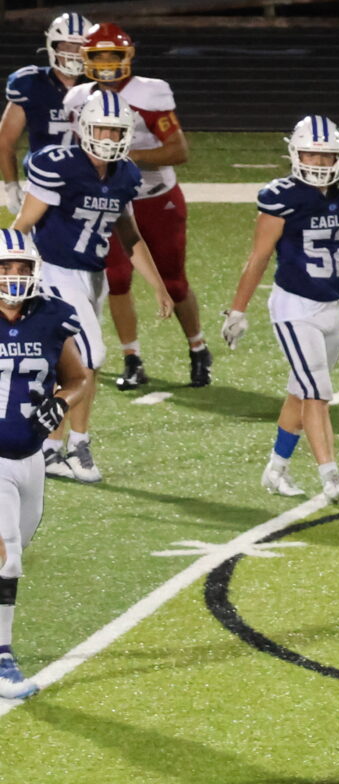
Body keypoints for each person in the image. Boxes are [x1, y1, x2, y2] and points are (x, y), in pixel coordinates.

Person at [219, 117, 339, 506]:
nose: (319, 162)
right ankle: (331, 476)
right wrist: (237, 310)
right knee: (317, 393)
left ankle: (276, 470)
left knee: (301, 391)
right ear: (296, 154)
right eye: (311, 154)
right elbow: (258, 257)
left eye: (326, 155)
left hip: (335, 304)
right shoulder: (282, 197)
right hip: (295, 306)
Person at [69, 26, 209, 392]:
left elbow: (178, 150)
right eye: (98, 56)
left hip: (156, 197)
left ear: (127, 56)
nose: (105, 63)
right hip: (111, 200)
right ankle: (132, 358)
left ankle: (197, 348)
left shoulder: (149, 93)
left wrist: (123, 155)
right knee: (116, 279)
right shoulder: (77, 98)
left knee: (173, 281)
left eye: (112, 56)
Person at [13, 89, 139, 486]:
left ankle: (51, 448)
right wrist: (14, 270)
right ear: (84, 127)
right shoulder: (59, 165)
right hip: (55, 271)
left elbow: (130, 235)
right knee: (91, 356)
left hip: (92, 276)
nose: (108, 137)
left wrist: (160, 287)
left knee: (68, 361)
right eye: (101, 128)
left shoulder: (126, 174)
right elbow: (23, 224)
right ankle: (77, 446)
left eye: (116, 131)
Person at [0, 228, 84, 702]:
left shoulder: (52, 316)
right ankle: (2, 658)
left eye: (22, 267)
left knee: (16, 550)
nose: (14, 276)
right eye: (5, 267)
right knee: (8, 557)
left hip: (30, 456)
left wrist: (63, 402)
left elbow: (78, 377)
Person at [0, 14, 92, 208]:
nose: (73, 53)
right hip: (42, 185)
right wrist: (11, 186)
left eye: (79, 47)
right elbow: (5, 141)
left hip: (90, 185)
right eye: (66, 46)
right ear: (53, 47)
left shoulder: (99, 86)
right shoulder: (31, 83)